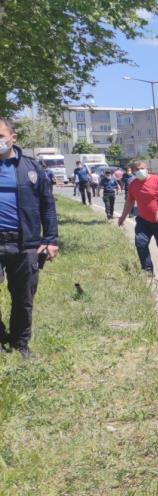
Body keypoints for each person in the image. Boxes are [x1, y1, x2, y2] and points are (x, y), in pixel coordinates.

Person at [0, 118, 59, 359]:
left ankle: (20, 344)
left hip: (25, 243)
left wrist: (51, 239)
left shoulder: (32, 168)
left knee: (23, 298)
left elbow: (47, 205)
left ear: (13, 137)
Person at [117, 161, 158, 279]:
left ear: (146, 168)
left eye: (142, 168)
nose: (140, 171)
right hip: (144, 221)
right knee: (140, 243)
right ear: (133, 172)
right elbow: (130, 202)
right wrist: (122, 217)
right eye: (136, 170)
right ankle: (148, 271)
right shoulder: (133, 185)